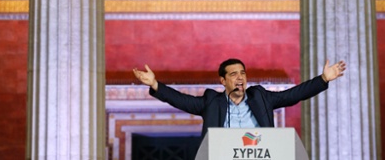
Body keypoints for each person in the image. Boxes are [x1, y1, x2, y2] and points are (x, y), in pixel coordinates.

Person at [133, 58, 346, 139]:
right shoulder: (211, 102)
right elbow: (181, 100)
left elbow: (292, 95)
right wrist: (155, 84)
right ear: (223, 81)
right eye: (233, 74)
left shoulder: (260, 97)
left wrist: (323, 79)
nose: (240, 77)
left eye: (243, 73)